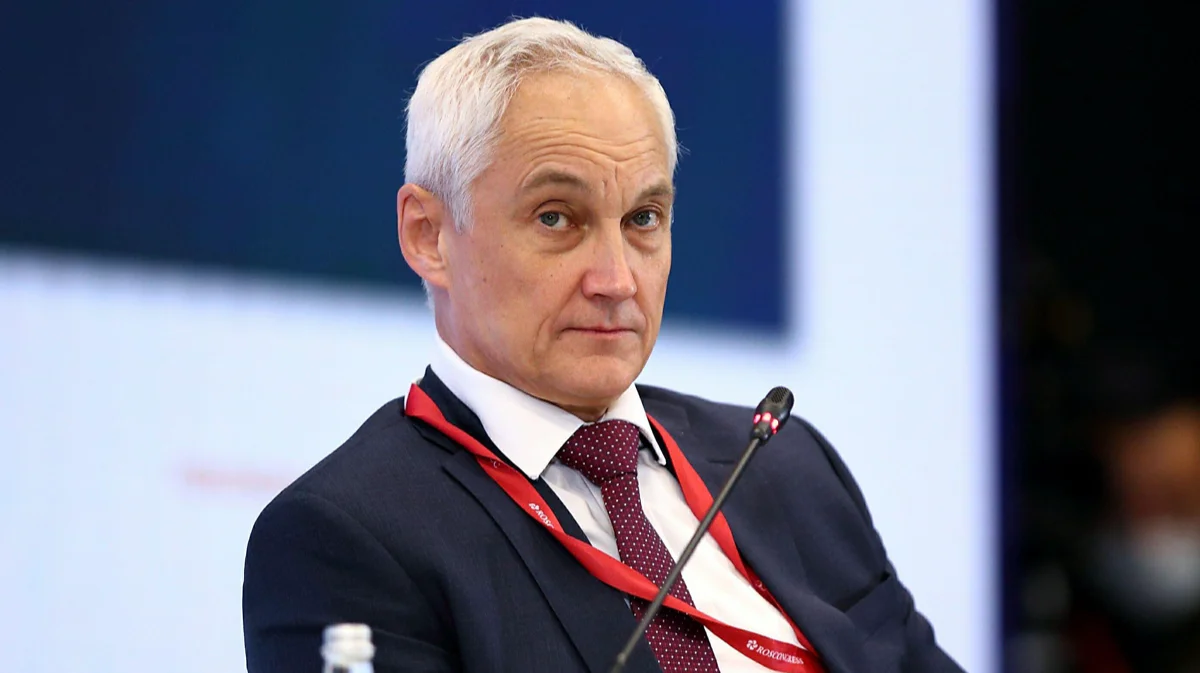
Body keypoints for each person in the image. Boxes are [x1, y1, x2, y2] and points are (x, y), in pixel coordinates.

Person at [242, 17, 962, 673]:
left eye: (643, 218)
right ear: (428, 235)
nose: (617, 280)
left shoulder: (786, 465)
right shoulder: (347, 536)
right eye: (557, 218)